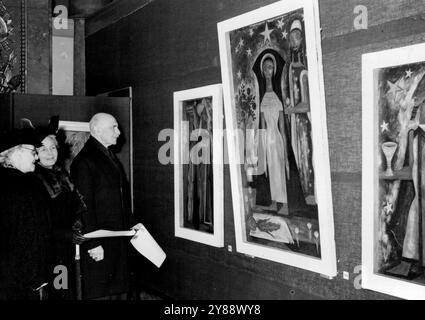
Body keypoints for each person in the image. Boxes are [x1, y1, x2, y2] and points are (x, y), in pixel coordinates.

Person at [71, 112, 141, 300]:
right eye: (114, 127)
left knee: (117, 291)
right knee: (102, 293)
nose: (119, 132)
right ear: (96, 130)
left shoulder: (107, 155)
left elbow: (118, 199)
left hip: (115, 236)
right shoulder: (85, 161)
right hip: (101, 240)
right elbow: (83, 205)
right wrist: (93, 243)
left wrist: (134, 225)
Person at [32, 117, 88, 300]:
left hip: (64, 248)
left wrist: (78, 221)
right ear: (34, 153)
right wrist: (64, 234)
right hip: (46, 250)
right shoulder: (32, 180)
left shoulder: (62, 173)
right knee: (55, 292)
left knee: (65, 289)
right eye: (43, 149)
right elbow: (36, 223)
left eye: (53, 148)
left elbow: (75, 205)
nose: (50, 153)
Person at [0, 129, 51, 300]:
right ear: (17, 152)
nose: (36, 157)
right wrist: (38, 278)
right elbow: (31, 234)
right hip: (23, 279)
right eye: (33, 152)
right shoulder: (27, 186)